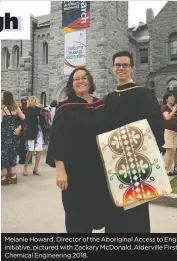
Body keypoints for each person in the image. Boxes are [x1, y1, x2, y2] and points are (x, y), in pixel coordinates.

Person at [102, 51, 165, 233]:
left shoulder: (144, 94)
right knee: (115, 206)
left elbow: (156, 124)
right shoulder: (109, 98)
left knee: (136, 208)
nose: (121, 68)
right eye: (118, 65)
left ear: (132, 68)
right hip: (114, 162)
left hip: (138, 160)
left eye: (125, 65)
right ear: (113, 68)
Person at [46, 67, 114, 233]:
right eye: (76, 78)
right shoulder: (66, 108)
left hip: (100, 170)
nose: (81, 80)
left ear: (90, 81)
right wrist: (60, 170)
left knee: (96, 212)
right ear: (72, 84)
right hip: (76, 171)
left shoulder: (101, 105)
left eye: (84, 77)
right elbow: (57, 140)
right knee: (77, 219)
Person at [1, 91, 25, 185]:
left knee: (3, 154)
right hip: (14, 134)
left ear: (5, 97)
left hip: (4, 134)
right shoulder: (16, 107)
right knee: (13, 153)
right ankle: (13, 176)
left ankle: (3, 176)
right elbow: (23, 117)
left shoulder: (2, 108)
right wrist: (19, 127)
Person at [23, 96, 45, 176]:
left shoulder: (38, 109)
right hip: (31, 131)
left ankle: (35, 169)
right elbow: (31, 115)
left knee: (39, 151)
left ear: (35, 101)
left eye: (32, 100)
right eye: (29, 100)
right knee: (30, 151)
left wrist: (42, 112)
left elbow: (43, 118)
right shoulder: (27, 110)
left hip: (39, 131)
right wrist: (38, 109)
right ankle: (25, 167)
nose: (30, 101)